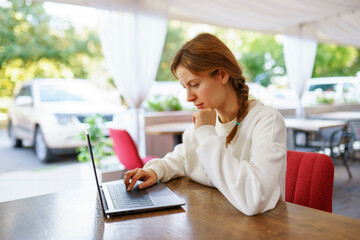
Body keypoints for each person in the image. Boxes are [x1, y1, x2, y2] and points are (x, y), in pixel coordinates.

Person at [124, 33, 287, 216]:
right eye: (184, 87)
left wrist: (207, 133)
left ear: (223, 75)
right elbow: (183, 158)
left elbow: (254, 199)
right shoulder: (206, 123)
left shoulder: (265, 120)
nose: (188, 97)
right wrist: (156, 170)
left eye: (194, 84)